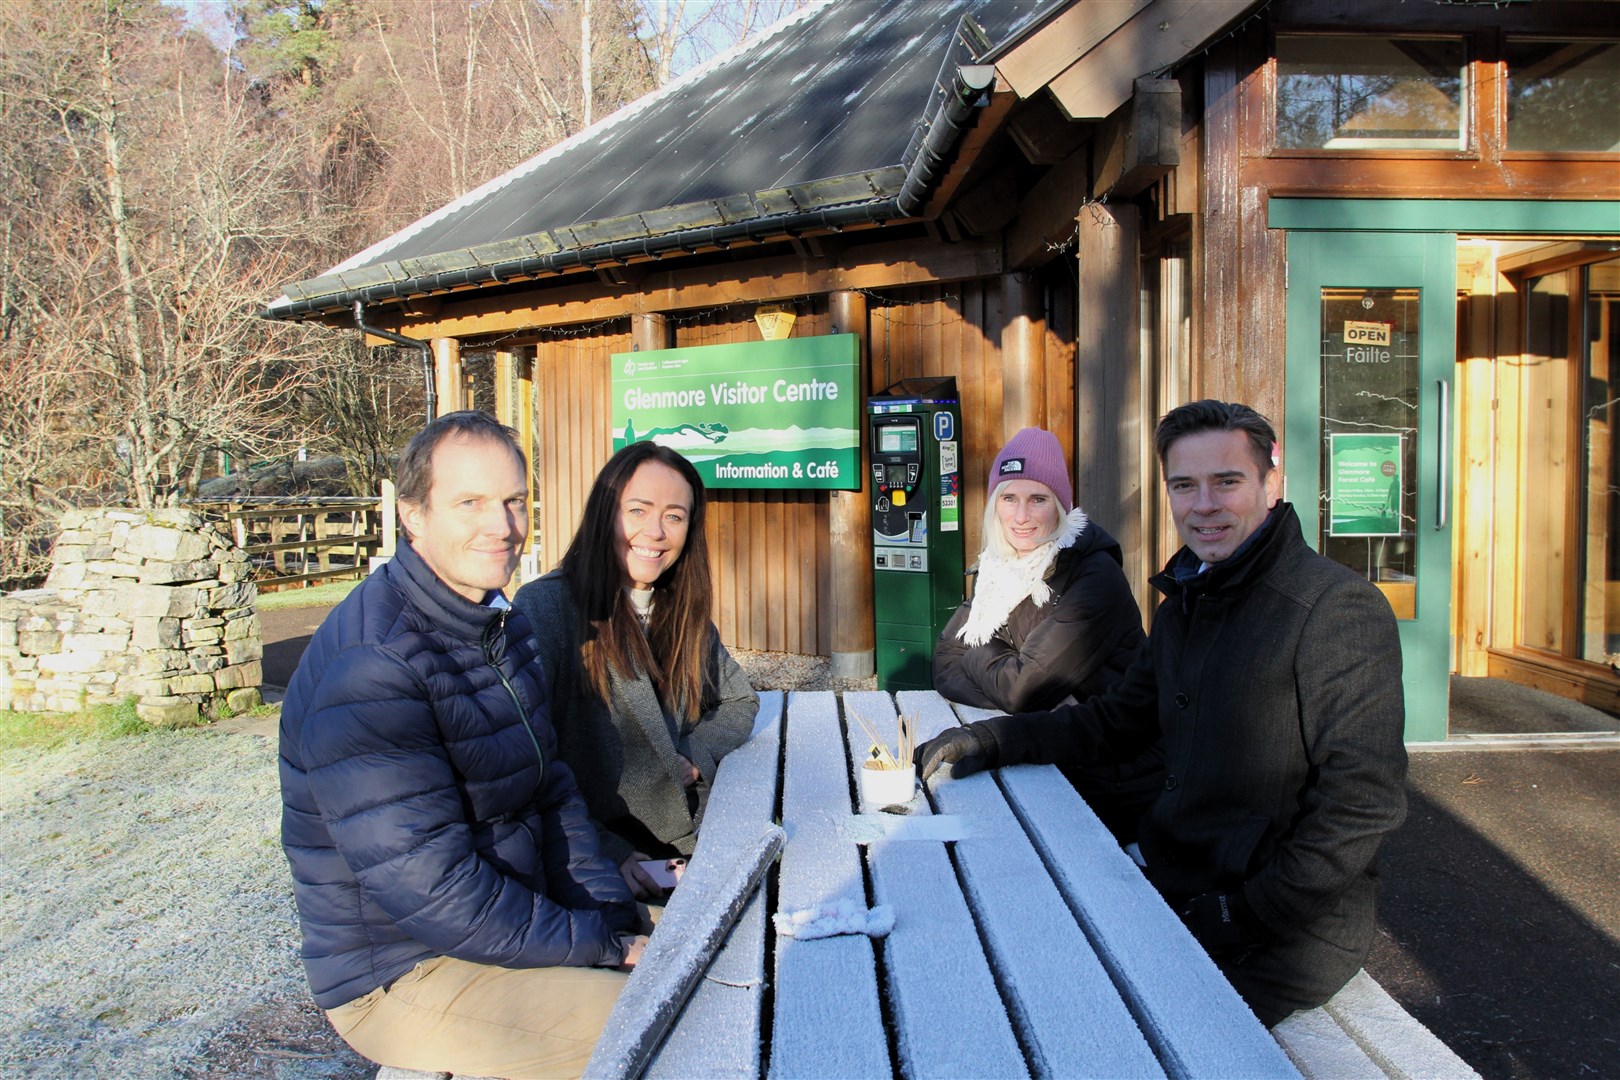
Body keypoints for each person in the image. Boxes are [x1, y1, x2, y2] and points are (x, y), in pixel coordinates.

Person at [916, 400, 1408, 1026]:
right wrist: (994, 740)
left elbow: (1364, 802)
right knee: (1004, 954)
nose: (1204, 504)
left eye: (1227, 481)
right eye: (1184, 485)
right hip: (1179, 880)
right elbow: (1113, 721)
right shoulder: (1186, 602)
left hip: (1279, 932)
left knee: (1095, 1028)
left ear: (1270, 484)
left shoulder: (1332, 609)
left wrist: (1245, 913)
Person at [279, 411, 645, 1079]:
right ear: (411, 514)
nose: (502, 526)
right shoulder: (372, 668)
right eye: (469, 503)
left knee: (715, 960)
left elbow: (552, 792)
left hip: (508, 919)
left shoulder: (497, 625)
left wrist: (612, 916)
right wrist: (597, 944)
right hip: (404, 970)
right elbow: (432, 887)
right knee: (658, 1026)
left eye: (512, 501)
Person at [513, 441, 759, 902]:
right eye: (638, 510)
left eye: (674, 516)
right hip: (605, 859)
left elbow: (740, 699)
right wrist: (602, 849)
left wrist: (691, 755)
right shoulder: (548, 607)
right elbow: (526, 766)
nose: (655, 531)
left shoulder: (680, 610)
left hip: (692, 834)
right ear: (605, 513)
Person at [931, 427, 1161, 841]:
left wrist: (986, 656)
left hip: (1111, 783)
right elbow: (945, 664)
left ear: (1059, 506)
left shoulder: (1093, 575)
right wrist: (1013, 682)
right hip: (1044, 752)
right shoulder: (999, 569)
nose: (1021, 517)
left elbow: (1022, 691)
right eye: (1009, 499)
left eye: (1037, 499)